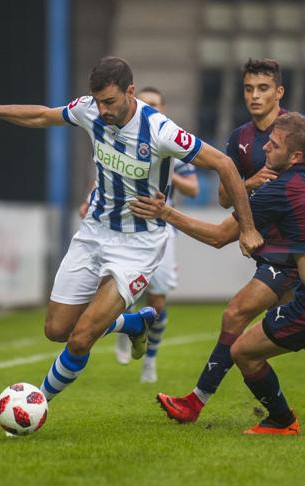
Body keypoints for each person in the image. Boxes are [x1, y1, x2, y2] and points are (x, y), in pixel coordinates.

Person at [0, 56, 261, 403]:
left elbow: (225, 164)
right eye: (98, 101)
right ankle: (134, 323)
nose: (103, 110)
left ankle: (38, 403)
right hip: (94, 233)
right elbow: (42, 115)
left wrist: (247, 228)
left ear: (130, 92)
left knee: (81, 338)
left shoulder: (160, 131)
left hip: (139, 245)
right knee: (57, 330)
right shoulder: (90, 110)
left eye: (110, 102)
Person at [131, 112, 305, 434]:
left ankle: (282, 420)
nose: (266, 151)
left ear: (296, 156)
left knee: (244, 352)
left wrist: (166, 213)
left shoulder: (277, 191)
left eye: (274, 147)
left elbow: (218, 236)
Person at [109, 87, 199, 383]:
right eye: (145, 103)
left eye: (155, 104)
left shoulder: (172, 143)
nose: (150, 108)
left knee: (157, 303)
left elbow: (193, 188)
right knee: (121, 292)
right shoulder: (122, 138)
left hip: (160, 231)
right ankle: (126, 332)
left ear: (163, 108)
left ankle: (150, 360)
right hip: (124, 228)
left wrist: (164, 169)